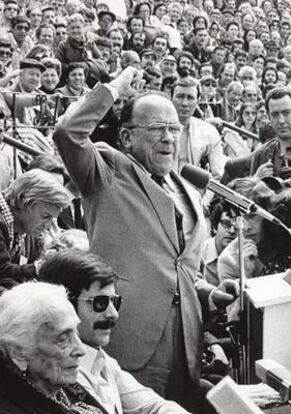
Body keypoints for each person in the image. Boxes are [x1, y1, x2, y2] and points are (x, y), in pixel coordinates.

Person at [53, 67, 238, 410]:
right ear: (126, 137)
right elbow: (68, 133)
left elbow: (179, 269)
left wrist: (210, 295)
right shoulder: (107, 171)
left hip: (185, 344)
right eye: (156, 129)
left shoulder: (188, 187)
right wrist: (114, 88)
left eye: (173, 128)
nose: (168, 137)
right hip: (129, 337)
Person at [39, 250, 190, 414]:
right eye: (100, 302)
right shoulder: (56, 373)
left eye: (115, 301)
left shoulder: (101, 360)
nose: (113, 314)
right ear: (63, 306)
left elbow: (154, 406)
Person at [0, 281, 106, 413]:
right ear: (18, 352)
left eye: (76, 332)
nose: (81, 350)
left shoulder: (61, 386)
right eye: (63, 339)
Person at [0, 169, 71, 280]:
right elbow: (2, 271)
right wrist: (42, 267)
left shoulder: (26, 228)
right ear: (24, 200)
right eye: (46, 216)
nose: (48, 225)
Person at [221, 87, 291, 184]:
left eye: (286, 113)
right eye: (275, 115)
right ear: (269, 117)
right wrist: (254, 180)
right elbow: (224, 193)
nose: (281, 121)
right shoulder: (262, 155)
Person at [171, 75, 226, 180]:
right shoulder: (157, 128)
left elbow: (217, 175)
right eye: (180, 96)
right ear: (171, 97)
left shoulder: (209, 132)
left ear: (198, 100)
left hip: (195, 192)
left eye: (190, 98)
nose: (184, 103)